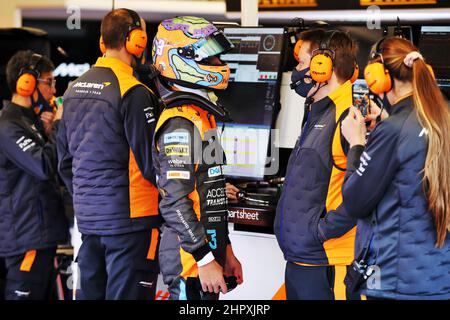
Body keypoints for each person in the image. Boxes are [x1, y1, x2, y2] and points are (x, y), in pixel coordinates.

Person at [57, 8, 162, 300]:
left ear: (103, 43)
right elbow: (152, 164)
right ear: (135, 40)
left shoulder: (73, 90)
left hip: (89, 223)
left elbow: (64, 162)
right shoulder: (134, 92)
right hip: (132, 224)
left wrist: (90, 199)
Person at [341, 36, 450, 300]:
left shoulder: (394, 129)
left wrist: (357, 144)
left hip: (395, 280)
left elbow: (355, 201)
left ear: (380, 78)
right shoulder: (442, 120)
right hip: (437, 276)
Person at [152, 16, 243, 300]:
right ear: (180, 60)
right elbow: (174, 201)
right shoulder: (179, 124)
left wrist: (225, 250)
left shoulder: (202, 116)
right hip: (189, 262)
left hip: (207, 254)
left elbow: (212, 190)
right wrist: (204, 259)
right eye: (211, 59)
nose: (219, 67)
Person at [273, 28, 360, 300]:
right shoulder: (318, 111)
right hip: (303, 261)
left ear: (324, 66)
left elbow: (365, 192)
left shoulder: (349, 116)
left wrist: (322, 231)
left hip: (330, 263)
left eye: (302, 62)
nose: (297, 70)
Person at [0, 50, 68, 300]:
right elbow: (43, 166)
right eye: (49, 82)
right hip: (26, 242)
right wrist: (59, 126)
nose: (53, 90)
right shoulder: (8, 126)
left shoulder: (31, 123)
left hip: (40, 240)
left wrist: (49, 131)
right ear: (26, 83)